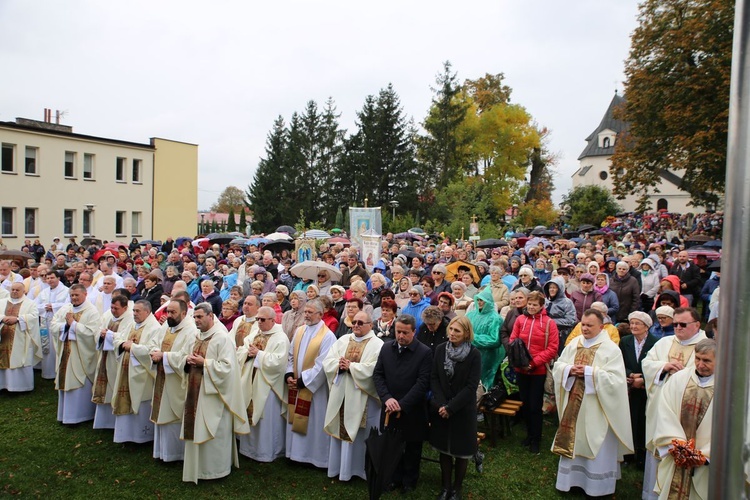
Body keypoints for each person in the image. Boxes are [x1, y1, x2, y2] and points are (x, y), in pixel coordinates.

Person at [552, 308, 634, 496]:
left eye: (590, 325)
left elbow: (617, 381)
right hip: (574, 406)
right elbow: (558, 366)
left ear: (601, 326)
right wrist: (569, 370)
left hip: (597, 407)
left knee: (597, 443)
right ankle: (571, 482)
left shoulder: (611, 349)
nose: (585, 328)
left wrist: (590, 373)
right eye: (583, 324)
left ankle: (597, 487)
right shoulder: (574, 344)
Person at [641, 307, 707, 499]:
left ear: (696, 325)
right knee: (658, 445)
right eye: (675, 323)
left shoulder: (705, 346)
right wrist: (664, 367)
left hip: (687, 409)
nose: (677, 327)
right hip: (659, 407)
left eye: (682, 324)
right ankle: (652, 494)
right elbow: (647, 364)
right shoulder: (665, 342)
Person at [178, 303, 249, 483]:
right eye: (194, 317)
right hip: (195, 390)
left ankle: (215, 470)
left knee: (214, 431)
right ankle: (197, 468)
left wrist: (205, 363)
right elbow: (184, 357)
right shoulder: (195, 336)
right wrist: (186, 361)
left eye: (200, 317)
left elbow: (228, 369)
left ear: (211, 316)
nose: (196, 320)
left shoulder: (221, 338)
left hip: (214, 395)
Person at [372, 314, 432, 493]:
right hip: (389, 405)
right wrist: (387, 398)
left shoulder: (424, 352)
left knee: (413, 446)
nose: (401, 336)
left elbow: (423, 382)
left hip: (412, 408)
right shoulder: (386, 348)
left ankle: (409, 480)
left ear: (414, 332)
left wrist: (403, 404)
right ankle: (394, 477)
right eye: (398, 332)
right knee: (392, 444)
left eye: (405, 333)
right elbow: (378, 375)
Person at [323, 310, 383, 481]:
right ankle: (337, 468)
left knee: (358, 431)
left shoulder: (377, 344)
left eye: (360, 323)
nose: (355, 325)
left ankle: (357, 470)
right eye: (354, 322)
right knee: (339, 426)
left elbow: (374, 369)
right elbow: (328, 361)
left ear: (370, 325)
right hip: (341, 391)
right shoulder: (343, 340)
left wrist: (352, 367)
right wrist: (339, 365)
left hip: (361, 396)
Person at [652, 338, 715, 499]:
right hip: (678, 454)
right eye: (697, 359)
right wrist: (678, 445)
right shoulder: (679, 379)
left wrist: (705, 455)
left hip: (708, 460)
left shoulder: (729, 387)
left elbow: (733, 428)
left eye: (707, 360)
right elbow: (665, 411)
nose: (700, 364)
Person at [429, 316, 482, 500]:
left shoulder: (474, 354)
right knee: (444, 449)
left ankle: (456, 489)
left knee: (461, 452)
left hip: (462, 409)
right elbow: (434, 377)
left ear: (466, 333)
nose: (452, 333)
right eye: (451, 329)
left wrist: (451, 407)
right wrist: (442, 404)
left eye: (457, 331)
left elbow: (471, 386)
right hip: (442, 408)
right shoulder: (440, 349)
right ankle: (445, 487)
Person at [285, 299, 337, 468]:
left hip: (314, 389)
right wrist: (289, 374)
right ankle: (294, 453)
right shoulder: (300, 330)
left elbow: (323, 364)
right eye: (305, 311)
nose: (306, 315)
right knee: (296, 417)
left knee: (314, 420)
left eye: (310, 312)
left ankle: (313, 457)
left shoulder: (328, 336)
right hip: (297, 382)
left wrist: (303, 380)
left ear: (321, 314)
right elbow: (291, 355)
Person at [236, 306, 290, 462]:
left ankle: (267, 452)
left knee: (266, 419)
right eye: (257, 319)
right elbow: (242, 350)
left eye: (262, 319)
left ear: (273, 320)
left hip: (268, 385)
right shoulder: (255, 334)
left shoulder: (280, 338)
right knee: (250, 412)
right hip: (251, 381)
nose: (259, 322)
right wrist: (248, 353)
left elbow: (279, 362)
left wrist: (258, 354)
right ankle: (248, 449)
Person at [149, 299, 198, 462]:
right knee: (161, 411)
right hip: (162, 375)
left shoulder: (191, 331)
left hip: (177, 380)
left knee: (172, 415)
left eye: (173, 312)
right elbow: (154, 343)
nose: (169, 315)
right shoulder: (166, 326)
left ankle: (175, 454)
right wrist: (155, 351)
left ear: (184, 313)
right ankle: (161, 451)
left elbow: (188, 356)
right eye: (168, 311)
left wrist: (164, 356)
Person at [509, 290, 559, 453]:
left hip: (537, 370)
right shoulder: (520, 320)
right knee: (525, 402)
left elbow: (552, 348)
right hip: (521, 369)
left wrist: (533, 363)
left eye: (534, 305)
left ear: (541, 306)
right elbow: (513, 340)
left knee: (535, 405)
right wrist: (520, 360)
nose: (531, 307)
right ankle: (529, 435)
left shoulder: (549, 323)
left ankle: (536, 438)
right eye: (529, 304)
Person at [111, 299, 161, 443]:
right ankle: (124, 434)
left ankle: (141, 436)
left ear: (147, 311)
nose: (134, 313)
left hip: (142, 374)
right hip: (126, 369)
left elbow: (153, 350)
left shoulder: (154, 328)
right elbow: (118, 338)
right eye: (133, 311)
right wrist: (122, 344)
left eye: (137, 311)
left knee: (141, 401)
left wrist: (133, 347)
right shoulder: (132, 324)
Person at [51, 284, 102, 424]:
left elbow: (93, 333)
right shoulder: (65, 308)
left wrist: (73, 325)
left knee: (79, 384)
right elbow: (54, 324)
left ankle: (81, 416)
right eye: (72, 295)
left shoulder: (92, 312)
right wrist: (65, 326)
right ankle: (64, 415)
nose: (73, 298)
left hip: (81, 355)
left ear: (85, 294)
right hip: (65, 352)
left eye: (76, 295)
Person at [619, 311, 657, 468]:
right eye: (632, 323)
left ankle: (641, 454)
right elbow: (619, 360)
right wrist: (629, 374)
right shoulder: (625, 340)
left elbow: (656, 363)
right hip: (628, 386)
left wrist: (643, 378)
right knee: (628, 419)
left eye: (637, 323)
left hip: (645, 387)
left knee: (643, 419)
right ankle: (627, 453)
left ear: (647, 327)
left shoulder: (655, 343)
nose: (633, 326)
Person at [92, 294, 134, 430]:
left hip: (116, 359)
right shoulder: (107, 316)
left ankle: (113, 421)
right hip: (104, 356)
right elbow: (97, 331)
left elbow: (127, 338)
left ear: (125, 308)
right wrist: (101, 334)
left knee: (114, 386)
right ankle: (103, 421)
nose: (113, 311)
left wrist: (109, 335)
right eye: (111, 307)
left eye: (116, 308)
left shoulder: (130, 319)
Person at [0, 282, 41, 392]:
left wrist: (18, 319)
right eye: (12, 289)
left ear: (24, 291)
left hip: (21, 337)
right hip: (2, 337)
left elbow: (34, 316)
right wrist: (3, 318)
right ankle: (3, 385)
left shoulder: (30, 303)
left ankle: (20, 387)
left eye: (17, 290)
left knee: (19, 359)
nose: (14, 291)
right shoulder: (2, 302)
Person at [466, 286, 503, 391]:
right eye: (478, 300)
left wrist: (472, 338)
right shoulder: (470, 315)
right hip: (468, 353)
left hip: (487, 357)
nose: (480, 302)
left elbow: (494, 340)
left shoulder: (495, 318)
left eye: (482, 300)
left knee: (484, 381)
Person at [35, 270, 70, 379]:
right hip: (45, 321)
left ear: (58, 278)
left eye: (52, 278)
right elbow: (35, 305)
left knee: (58, 346)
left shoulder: (66, 291)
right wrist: (45, 307)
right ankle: (48, 372)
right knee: (47, 346)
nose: (49, 280)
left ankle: (59, 372)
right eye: (48, 278)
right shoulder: (44, 292)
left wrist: (53, 307)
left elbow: (68, 305)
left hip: (59, 322)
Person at [543, 276, 578, 349]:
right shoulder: (545, 301)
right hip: (545, 333)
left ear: (560, 289)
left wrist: (551, 322)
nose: (552, 290)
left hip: (561, 334)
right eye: (550, 288)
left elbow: (571, 320)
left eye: (554, 288)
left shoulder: (567, 302)